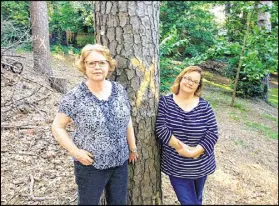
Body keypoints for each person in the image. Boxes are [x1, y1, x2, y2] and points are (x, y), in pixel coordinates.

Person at [52, 44, 138, 205]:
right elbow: (57, 127)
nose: (97, 67)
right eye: (91, 63)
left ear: (109, 65)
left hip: (120, 162)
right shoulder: (74, 96)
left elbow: (127, 120)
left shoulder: (119, 90)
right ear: (84, 66)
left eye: (101, 62)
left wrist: (132, 148)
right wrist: (76, 152)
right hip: (90, 165)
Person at [155, 66, 218, 205]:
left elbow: (212, 133)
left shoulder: (204, 106)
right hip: (177, 165)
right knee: (189, 202)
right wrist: (181, 148)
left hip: (201, 164)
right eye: (187, 78)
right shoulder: (166, 102)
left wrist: (193, 152)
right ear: (181, 78)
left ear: (198, 86)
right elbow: (161, 129)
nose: (190, 83)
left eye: (194, 81)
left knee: (197, 200)